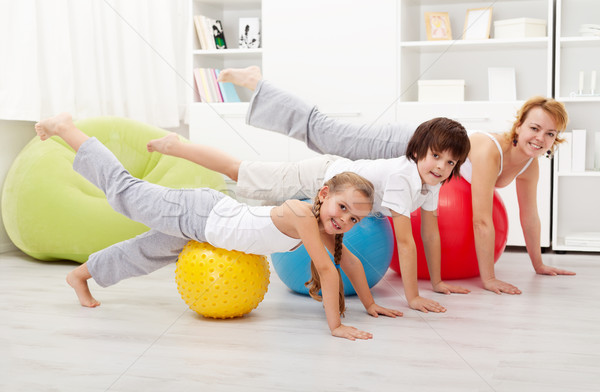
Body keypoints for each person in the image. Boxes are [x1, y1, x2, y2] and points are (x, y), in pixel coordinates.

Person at [35, 113, 403, 341]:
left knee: (147, 252)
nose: (344, 220)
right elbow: (326, 268)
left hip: (207, 224)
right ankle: (66, 128)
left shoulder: (324, 227)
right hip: (200, 214)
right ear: (324, 194)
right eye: (342, 208)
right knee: (125, 193)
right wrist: (336, 327)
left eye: (354, 219)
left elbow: (349, 263)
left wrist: (370, 305)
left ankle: (82, 274)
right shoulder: (304, 214)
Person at [218, 66, 576, 296]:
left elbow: (530, 217)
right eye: (534, 128)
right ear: (519, 125)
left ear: (554, 140)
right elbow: (481, 220)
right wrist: (489, 278)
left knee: (327, 144)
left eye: (549, 134)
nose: (539, 138)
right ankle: (256, 83)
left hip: (426, 161)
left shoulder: (529, 165)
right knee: (326, 135)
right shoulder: (489, 151)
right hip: (405, 146)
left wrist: (539, 264)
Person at [176, 81, 471, 313]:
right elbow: (406, 244)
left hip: (341, 188)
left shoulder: (431, 181)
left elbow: (429, 232)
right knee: (242, 173)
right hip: (324, 176)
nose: (442, 167)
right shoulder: (402, 178)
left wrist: (438, 281)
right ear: (418, 151)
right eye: (436, 156)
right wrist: (414, 298)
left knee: (251, 180)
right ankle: (178, 145)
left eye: (451, 163)